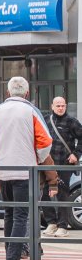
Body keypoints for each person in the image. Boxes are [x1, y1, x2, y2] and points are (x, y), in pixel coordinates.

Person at [0, 76, 53, 260]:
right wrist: (38, 158)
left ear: (7, 93)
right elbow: (46, 141)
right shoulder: (30, 111)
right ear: (27, 93)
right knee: (21, 216)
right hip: (25, 172)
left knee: (8, 215)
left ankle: (10, 255)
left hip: (2, 172)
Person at [42, 96, 82, 237]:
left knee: (62, 194)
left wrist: (76, 155)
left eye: (62, 105)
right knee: (44, 193)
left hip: (64, 164)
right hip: (46, 164)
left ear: (65, 106)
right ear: (52, 106)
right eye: (57, 105)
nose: (60, 108)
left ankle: (62, 226)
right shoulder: (46, 120)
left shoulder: (72, 122)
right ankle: (51, 223)